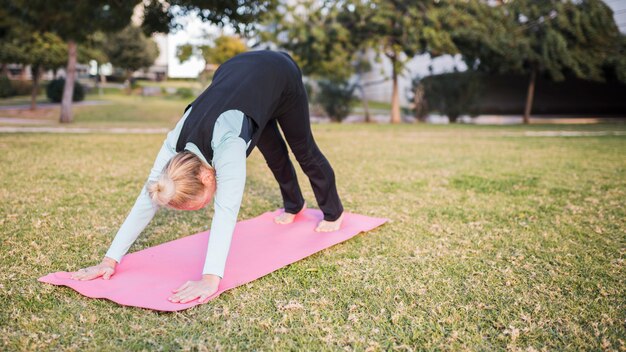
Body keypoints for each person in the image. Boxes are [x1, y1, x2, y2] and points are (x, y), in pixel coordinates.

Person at [69, 50, 344, 304]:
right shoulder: (174, 145)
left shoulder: (229, 145)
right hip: (240, 79)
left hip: (279, 75)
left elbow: (226, 211)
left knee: (303, 150)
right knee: (273, 152)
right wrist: (109, 260)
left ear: (207, 177)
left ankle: (333, 212)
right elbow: (147, 197)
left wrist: (210, 277)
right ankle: (294, 205)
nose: (203, 208)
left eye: (200, 203)